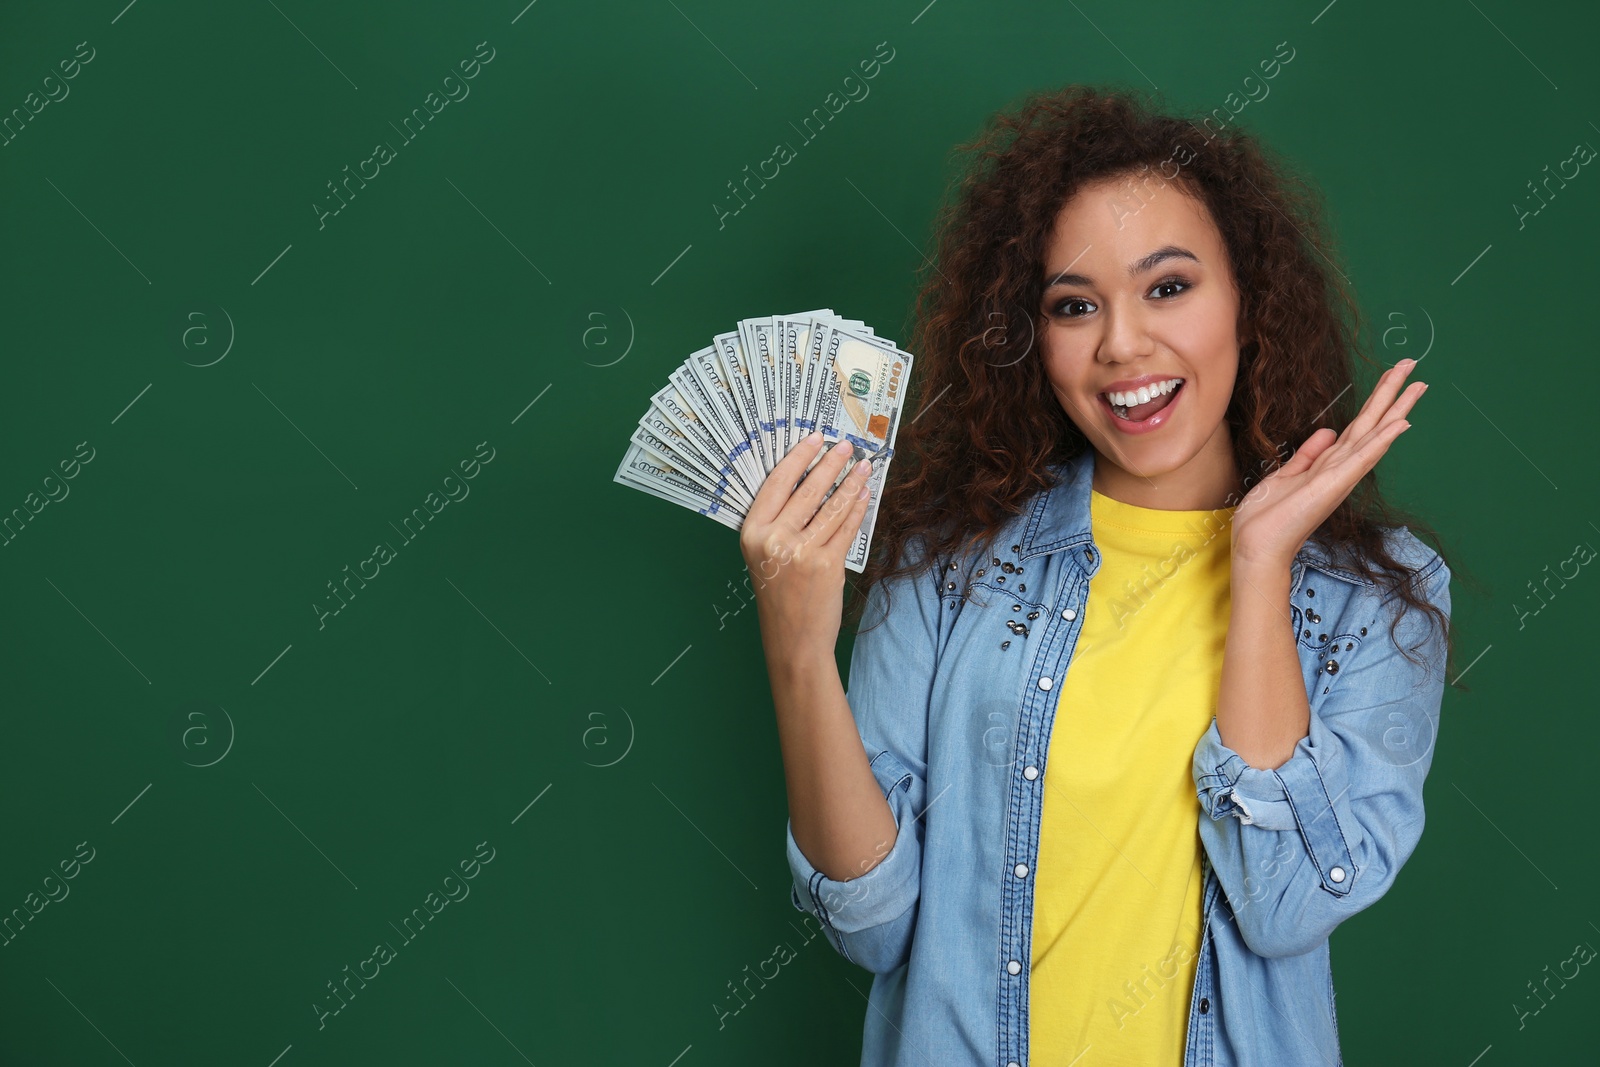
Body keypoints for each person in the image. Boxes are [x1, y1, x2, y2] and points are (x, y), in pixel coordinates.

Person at [739, 85, 1459, 1067]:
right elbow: (870, 924)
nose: (1121, 342)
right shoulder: (946, 564)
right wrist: (795, 647)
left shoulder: (1373, 598)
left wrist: (1257, 567)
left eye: (1168, 286)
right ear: (1034, 339)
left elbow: (1289, 898)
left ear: (1246, 298)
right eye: (1074, 305)